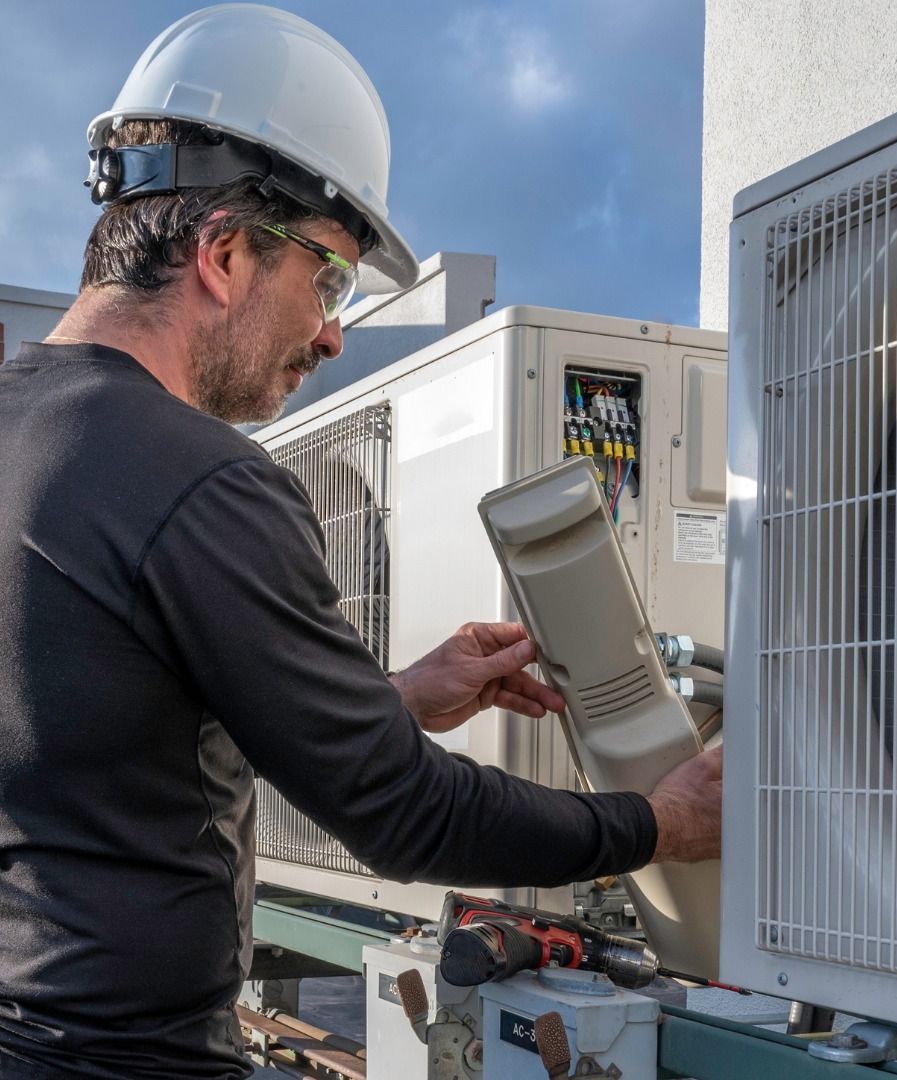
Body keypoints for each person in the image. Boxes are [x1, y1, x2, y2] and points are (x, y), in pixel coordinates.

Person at [0, 6, 722, 1078]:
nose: (333, 331)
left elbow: (105, 730)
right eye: (328, 279)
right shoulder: (199, 480)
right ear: (227, 253)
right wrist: (654, 823)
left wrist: (389, 698)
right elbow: (402, 816)